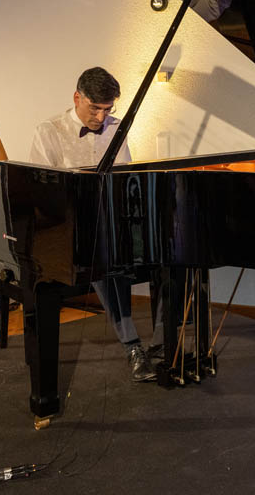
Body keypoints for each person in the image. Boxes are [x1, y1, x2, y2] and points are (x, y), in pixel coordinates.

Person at [29, 66, 160, 382]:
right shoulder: (49, 131)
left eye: (107, 109)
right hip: (68, 230)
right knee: (107, 260)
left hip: (111, 221)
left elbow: (124, 178)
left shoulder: (116, 128)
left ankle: (163, 343)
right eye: (95, 108)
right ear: (77, 98)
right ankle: (132, 346)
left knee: (167, 252)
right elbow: (42, 195)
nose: (101, 117)